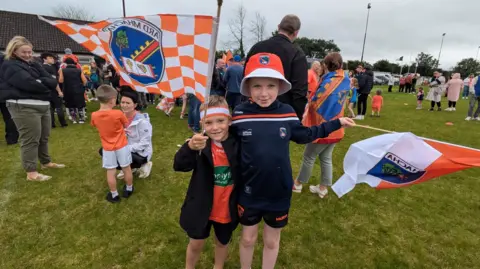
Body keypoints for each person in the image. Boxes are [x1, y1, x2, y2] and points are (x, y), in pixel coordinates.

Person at [232, 53, 355, 269]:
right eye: (257, 86)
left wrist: (336, 123)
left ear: (279, 86)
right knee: (248, 239)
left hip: (278, 191)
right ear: (248, 87)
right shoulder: (240, 114)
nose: (263, 93)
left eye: (270, 86)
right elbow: (227, 144)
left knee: (271, 241)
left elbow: (306, 134)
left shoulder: (287, 113)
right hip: (248, 190)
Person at [174, 96, 239, 269]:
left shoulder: (238, 143)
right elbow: (179, 165)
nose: (215, 127)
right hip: (201, 205)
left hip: (226, 207)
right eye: (208, 123)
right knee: (196, 243)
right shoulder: (199, 144)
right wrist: (189, 148)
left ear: (229, 121)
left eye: (220, 121)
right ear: (202, 124)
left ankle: (218, 266)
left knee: (222, 242)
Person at [0, 36, 65, 181]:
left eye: (30, 52)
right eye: (24, 52)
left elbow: (51, 80)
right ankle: (31, 172)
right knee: (30, 139)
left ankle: (46, 162)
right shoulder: (9, 65)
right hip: (24, 106)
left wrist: (41, 81)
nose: (28, 55)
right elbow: (28, 83)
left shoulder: (34, 64)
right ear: (14, 51)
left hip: (42, 104)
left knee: (44, 136)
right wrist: (42, 83)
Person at [292, 52, 352, 199]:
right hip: (338, 127)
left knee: (309, 156)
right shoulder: (345, 79)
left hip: (323, 128)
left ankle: (298, 184)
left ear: (325, 65)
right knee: (326, 157)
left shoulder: (328, 81)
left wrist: (308, 108)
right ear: (341, 65)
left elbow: (316, 103)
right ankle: (322, 188)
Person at [244, 14, 308, 119]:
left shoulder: (256, 47)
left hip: (254, 110)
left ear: (278, 27)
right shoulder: (296, 53)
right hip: (282, 115)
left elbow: (246, 80)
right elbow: (299, 91)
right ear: (296, 33)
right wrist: (297, 118)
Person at [91, 85, 134, 203]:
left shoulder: (94, 115)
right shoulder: (118, 113)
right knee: (126, 168)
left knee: (110, 171)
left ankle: (114, 195)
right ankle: (129, 188)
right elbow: (125, 124)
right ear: (111, 100)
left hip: (107, 148)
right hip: (122, 146)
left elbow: (94, 124)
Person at [118, 90, 153, 179]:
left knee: (119, 153)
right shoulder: (119, 118)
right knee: (105, 151)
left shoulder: (143, 122)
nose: (124, 105)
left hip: (141, 153)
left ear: (135, 105)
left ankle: (145, 164)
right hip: (125, 148)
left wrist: (126, 149)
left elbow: (145, 143)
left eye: (128, 103)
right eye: (122, 102)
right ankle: (129, 168)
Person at [41, 52, 68, 128]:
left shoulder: (42, 67)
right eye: (50, 58)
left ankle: (52, 124)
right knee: (59, 107)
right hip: (53, 89)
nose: (52, 59)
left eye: (53, 58)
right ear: (44, 59)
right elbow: (54, 81)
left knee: (51, 108)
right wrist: (59, 91)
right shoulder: (49, 68)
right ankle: (63, 123)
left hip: (46, 90)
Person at [59, 58, 87, 123]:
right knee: (79, 103)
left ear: (65, 63)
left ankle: (74, 119)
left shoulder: (62, 70)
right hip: (78, 89)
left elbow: (61, 80)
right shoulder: (79, 70)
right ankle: (81, 119)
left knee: (70, 104)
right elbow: (85, 80)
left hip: (68, 89)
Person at [0, 52, 19, 145]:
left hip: (5, 92)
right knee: (9, 117)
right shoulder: (8, 62)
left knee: (9, 117)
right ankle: (12, 139)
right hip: (6, 93)